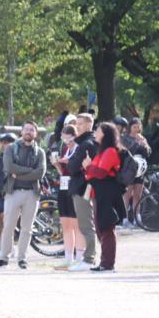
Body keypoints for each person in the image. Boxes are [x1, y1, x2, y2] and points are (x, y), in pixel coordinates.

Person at [0, 122, 46, 269]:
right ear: (21, 132)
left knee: (27, 229)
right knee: (8, 226)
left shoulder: (40, 152)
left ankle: (22, 259)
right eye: (26, 129)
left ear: (36, 134)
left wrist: (19, 174)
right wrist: (30, 171)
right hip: (13, 192)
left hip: (32, 194)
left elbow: (40, 173)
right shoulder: (10, 148)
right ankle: (3, 258)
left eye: (32, 130)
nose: (28, 132)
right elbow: (9, 167)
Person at [84, 121, 125, 272]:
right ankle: (105, 262)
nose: (95, 132)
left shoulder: (110, 151)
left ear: (105, 134)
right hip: (99, 193)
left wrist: (88, 167)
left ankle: (107, 264)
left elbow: (100, 173)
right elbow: (93, 173)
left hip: (107, 193)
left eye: (98, 130)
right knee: (101, 228)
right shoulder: (102, 151)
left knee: (106, 227)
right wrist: (90, 169)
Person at [67, 113, 98, 271]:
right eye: (76, 123)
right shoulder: (88, 142)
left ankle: (89, 259)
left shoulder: (86, 143)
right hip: (85, 186)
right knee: (87, 224)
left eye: (80, 123)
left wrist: (72, 163)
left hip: (83, 187)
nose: (77, 127)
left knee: (86, 225)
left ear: (88, 124)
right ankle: (89, 257)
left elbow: (72, 167)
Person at [52, 125, 86, 270]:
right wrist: (57, 165)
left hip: (76, 187)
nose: (67, 143)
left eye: (69, 140)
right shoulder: (65, 149)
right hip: (64, 186)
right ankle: (68, 258)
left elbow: (82, 168)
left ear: (75, 137)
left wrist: (69, 162)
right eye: (64, 140)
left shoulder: (80, 149)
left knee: (76, 224)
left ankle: (80, 258)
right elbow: (63, 172)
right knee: (65, 223)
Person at [120, 118, 151, 227]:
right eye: (134, 127)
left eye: (138, 127)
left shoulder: (142, 138)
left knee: (138, 194)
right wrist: (137, 143)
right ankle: (124, 219)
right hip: (129, 168)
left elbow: (148, 153)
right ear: (130, 127)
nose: (136, 129)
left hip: (140, 169)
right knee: (127, 194)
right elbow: (126, 152)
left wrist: (145, 144)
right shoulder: (124, 138)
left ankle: (137, 218)